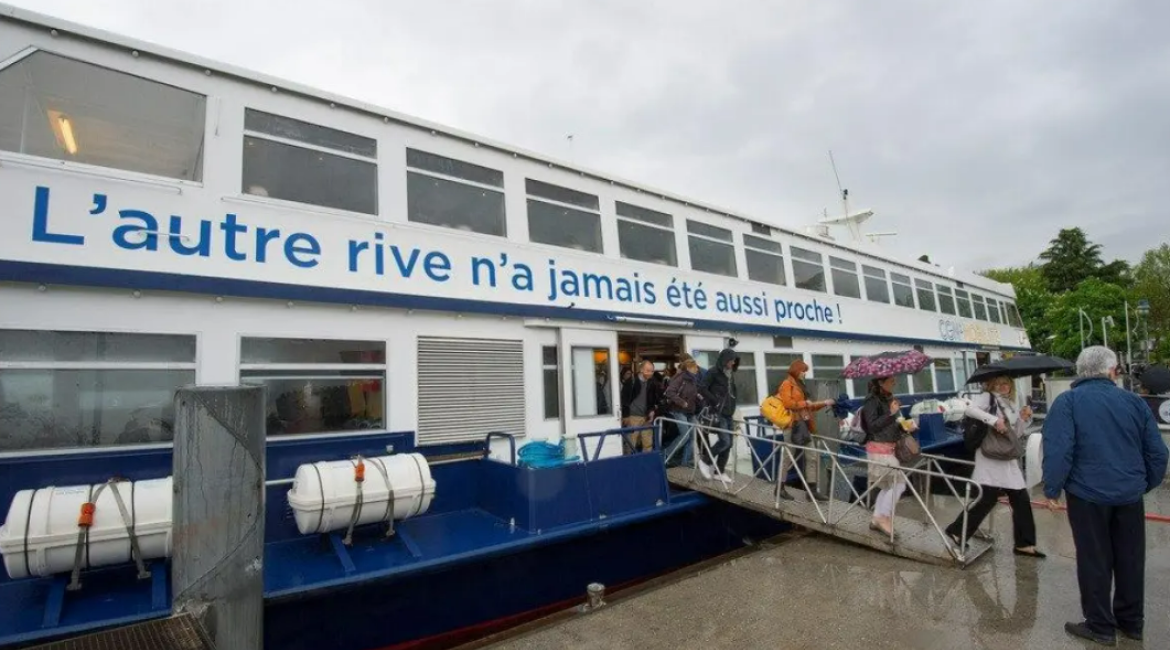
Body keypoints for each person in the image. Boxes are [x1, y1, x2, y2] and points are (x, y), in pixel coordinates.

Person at [1042, 346, 1168, 646]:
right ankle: (1131, 622)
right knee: (1131, 559)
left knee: (1094, 560)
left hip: (1087, 496)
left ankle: (1100, 625)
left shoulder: (1068, 402)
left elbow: (1059, 449)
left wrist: (1052, 488)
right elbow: (1158, 453)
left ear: (1080, 371)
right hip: (1129, 495)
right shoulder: (1134, 403)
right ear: (1112, 371)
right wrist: (1142, 485)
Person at [943, 375, 1045, 557]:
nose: (1003, 386)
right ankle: (958, 531)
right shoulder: (987, 397)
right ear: (991, 384)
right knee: (990, 498)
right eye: (998, 383)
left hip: (1006, 458)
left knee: (1017, 499)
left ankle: (1024, 543)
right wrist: (993, 420)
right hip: (990, 457)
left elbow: (1014, 434)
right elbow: (970, 410)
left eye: (1006, 382)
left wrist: (1023, 419)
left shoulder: (1010, 403)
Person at [859, 376, 917, 538]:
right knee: (898, 485)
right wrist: (891, 413)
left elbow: (896, 422)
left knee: (888, 486)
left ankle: (877, 518)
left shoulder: (889, 398)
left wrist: (907, 426)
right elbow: (873, 426)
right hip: (878, 449)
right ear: (880, 382)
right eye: (891, 380)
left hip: (889, 448)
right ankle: (882, 518)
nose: (894, 382)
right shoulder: (871, 400)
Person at [776, 360, 834, 501]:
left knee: (812, 457)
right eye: (803, 371)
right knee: (788, 458)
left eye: (805, 371)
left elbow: (809, 407)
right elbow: (787, 403)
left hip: (804, 425)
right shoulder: (786, 384)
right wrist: (804, 403)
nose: (804, 374)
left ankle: (812, 491)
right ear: (796, 371)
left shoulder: (801, 386)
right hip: (792, 426)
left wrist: (824, 403)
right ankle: (779, 488)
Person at [696, 348, 738, 484]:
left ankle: (719, 471)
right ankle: (704, 461)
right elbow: (701, 388)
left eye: (734, 361)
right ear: (725, 360)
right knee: (725, 441)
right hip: (718, 412)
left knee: (729, 443)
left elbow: (732, 393)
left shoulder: (730, 374)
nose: (733, 363)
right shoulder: (713, 372)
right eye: (731, 360)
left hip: (729, 413)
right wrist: (714, 401)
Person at [662, 355, 702, 468]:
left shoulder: (694, 379)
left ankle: (685, 462)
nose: (697, 369)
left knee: (693, 437)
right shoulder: (680, 378)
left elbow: (692, 393)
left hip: (691, 411)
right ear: (689, 368)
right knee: (685, 435)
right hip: (679, 410)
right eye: (695, 367)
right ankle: (666, 453)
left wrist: (699, 397)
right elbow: (669, 392)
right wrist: (681, 402)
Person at [620, 360, 663, 453]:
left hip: (647, 417)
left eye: (652, 371)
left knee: (648, 443)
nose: (650, 373)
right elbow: (624, 400)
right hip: (632, 417)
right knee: (631, 443)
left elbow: (655, 400)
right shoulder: (631, 381)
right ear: (641, 370)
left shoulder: (653, 382)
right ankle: (629, 463)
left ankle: (646, 464)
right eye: (648, 370)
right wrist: (626, 416)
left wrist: (652, 411)